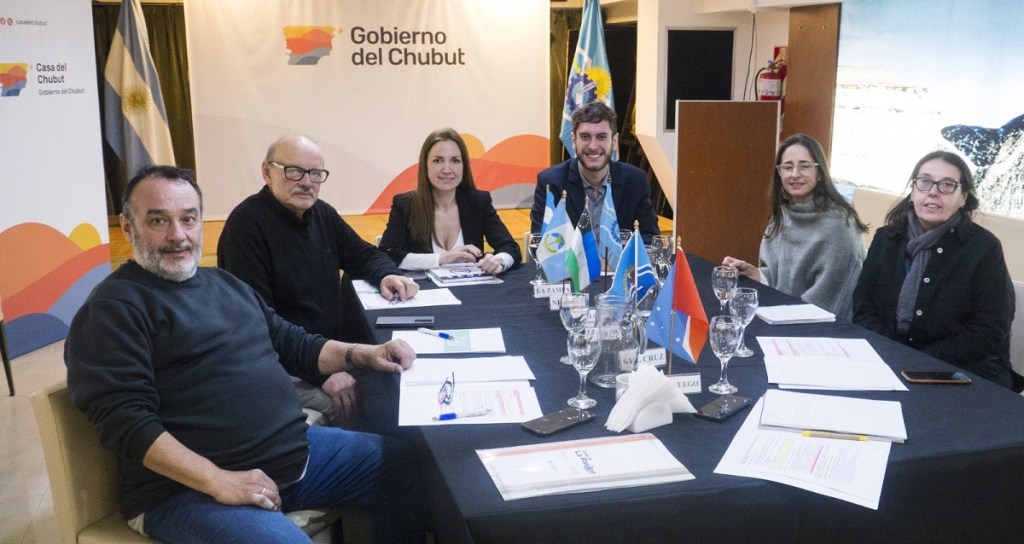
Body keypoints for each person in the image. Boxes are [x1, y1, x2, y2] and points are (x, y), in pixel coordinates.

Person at [65, 166, 427, 543]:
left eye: (188, 219)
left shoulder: (225, 285)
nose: (177, 235)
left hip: (294, 459)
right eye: (158, 220)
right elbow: (126, 422)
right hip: (189, 492)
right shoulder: (114, 307)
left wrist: (367, 354)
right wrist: (217, 480)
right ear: (127, 226)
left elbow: (294, 344)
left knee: (407, 466)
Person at [218, 134, 419, 429]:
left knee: (400, 385)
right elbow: (260, 329)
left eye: (315, 173)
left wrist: (387, 274)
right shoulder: (246, 228)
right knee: (382, 405)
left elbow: (362, 254)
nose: (306, 181)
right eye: (294, 171)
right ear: (266, 172)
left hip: (328, 351)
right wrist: (323, 374)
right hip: (285, 369)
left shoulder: (321, 214)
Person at [852, 151, 1016, 390]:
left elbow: (989, 330)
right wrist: (892, 351)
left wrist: (918, 360)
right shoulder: (886, 238)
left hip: (963, 367)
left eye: (947, 185)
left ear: (964, 198)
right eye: (925, 182)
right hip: (890, 356)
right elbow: (863, 307)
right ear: (913, 191)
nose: (933, 191)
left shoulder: (984, 248)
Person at [722, 133, 867, 319]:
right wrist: (756, 273)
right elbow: (782, 277)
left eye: (805, 166)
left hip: (819, 328)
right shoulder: (782, 215)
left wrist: (778, 315)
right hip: (781, 315)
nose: (795, 174)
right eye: (787, 167)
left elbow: (829, 300)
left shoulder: (840, 225)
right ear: (779, 173)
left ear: (820, 172)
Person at [379, 128, 521, 273]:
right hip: (422, 292)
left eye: (455, 161)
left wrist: (499, 261)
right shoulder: (405, 205)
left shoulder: (478, 202)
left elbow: (510, 248)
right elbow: (387, 255)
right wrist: (443, 258)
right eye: (438, 160)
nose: (447, 169)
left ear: (463, 166)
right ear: (425, 165)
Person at [529, 101, 660, 244]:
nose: (593, 146)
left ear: (614, 141)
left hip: (620, 266)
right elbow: (541, 242)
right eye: (585, 137)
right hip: (570, 266)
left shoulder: (635, 181)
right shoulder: (552, 182)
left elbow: (650, 238)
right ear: (574, 140)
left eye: (601, 137)